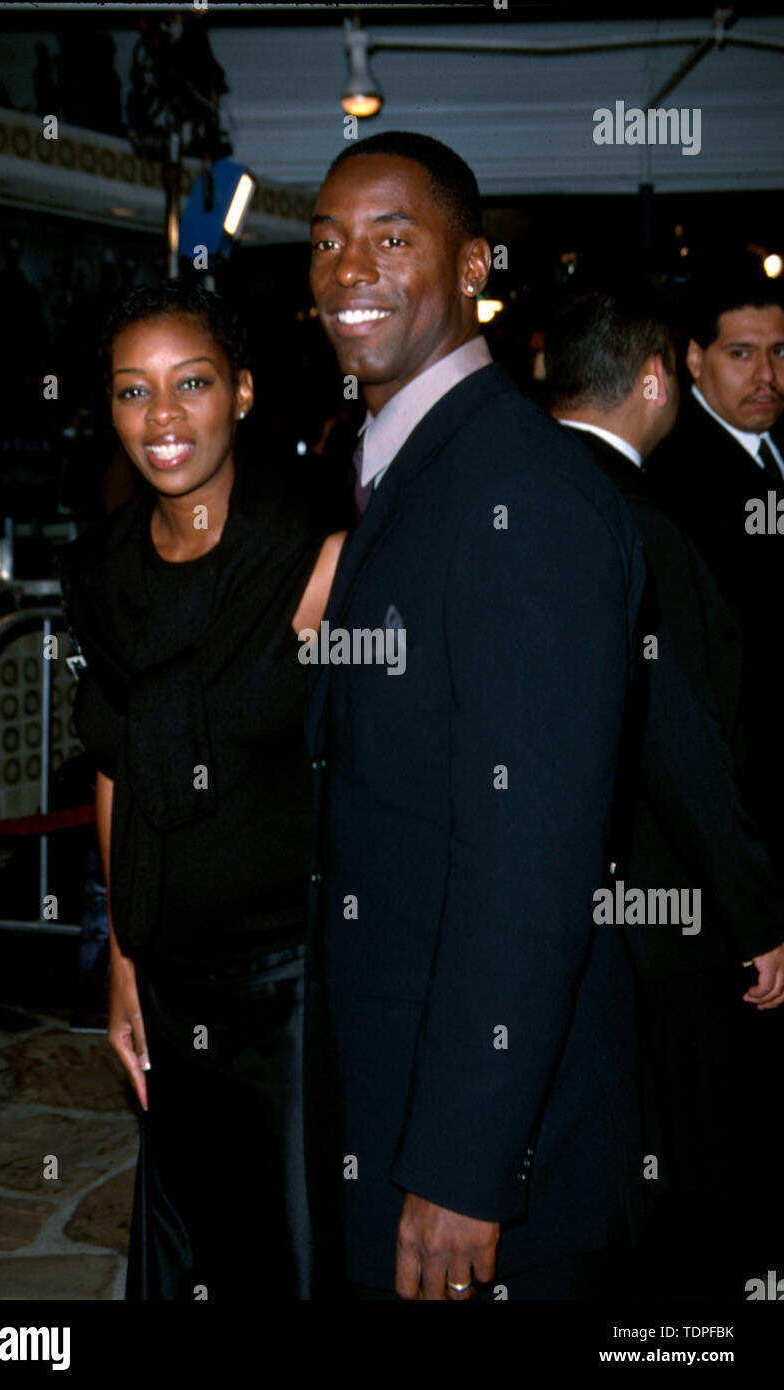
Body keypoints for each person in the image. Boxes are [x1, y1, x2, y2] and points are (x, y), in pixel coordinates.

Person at [303, 131, 648, 1301]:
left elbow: (531, 857)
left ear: (471, 267)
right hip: (397, 1081)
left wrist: (463, 1164)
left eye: (391, 238)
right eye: (329, 239)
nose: (350, 268)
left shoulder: (520, 490)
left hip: (476, 1146)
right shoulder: (404, 467)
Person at [57, 280, 344, 1300]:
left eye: (191, 383)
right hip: (170, 965)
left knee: (290, 1249)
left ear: (244, 392)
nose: (163, 417)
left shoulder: (313, 538)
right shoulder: (104, 569)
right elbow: (115, 769)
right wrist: (124, 960)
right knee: (186, 1255)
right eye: (133, 391)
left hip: (295, 973)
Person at [547, 286, 784, 1297]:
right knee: (690, 1173)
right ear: (660, 378)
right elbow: (680, 745)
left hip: (544, 907)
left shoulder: (504, 497)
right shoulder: (636, 521)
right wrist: (756, 913)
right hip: (663, 915)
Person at [644, 274, 784, 857]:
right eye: (742, 354)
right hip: (746, 793)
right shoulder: (675, 478)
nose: (767, 377)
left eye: (779, 352)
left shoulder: (775, 441)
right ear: (695, 360)